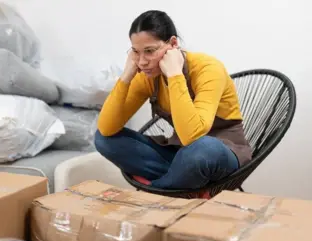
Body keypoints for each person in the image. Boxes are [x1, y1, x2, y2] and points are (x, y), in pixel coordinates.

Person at [94, 10, 252, 190]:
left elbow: (192, 136)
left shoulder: (208, 68)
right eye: (136, 52)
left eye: (150, 51)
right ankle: (185, 183)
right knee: (103, 139)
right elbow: (107, 128)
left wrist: (175, 74)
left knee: (204, 148)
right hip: (181, 155)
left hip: (219, 152)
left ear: (173, 44)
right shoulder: (147, 76)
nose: (143, 62)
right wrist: (126, 76)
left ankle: (158, 190)